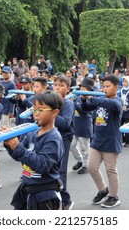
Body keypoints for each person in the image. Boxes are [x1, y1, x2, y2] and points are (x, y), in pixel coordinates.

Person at [5, 91, 64, 210]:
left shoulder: (53, 138)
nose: (36, 114)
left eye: (41, 110)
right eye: (34, 109)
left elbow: (42, 165)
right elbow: (19, 156)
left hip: (44, 195)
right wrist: (9, 144)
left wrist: (17, 147)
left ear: (54, 112)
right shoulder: (32, 132)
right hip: (28, 188)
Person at [81, 74, 123, 208]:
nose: (104, 89)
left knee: (111, 170)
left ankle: (113, 196)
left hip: (111, 141)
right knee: (91, 167)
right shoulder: (100, 99)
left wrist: (91, 97)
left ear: (116, 87)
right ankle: (103, 189)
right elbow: (86, 108)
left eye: (107, 86)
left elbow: (106, 103)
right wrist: (83, 99)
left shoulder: (117, 102)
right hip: (97, 140)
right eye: (103, 86)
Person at [53, 75, 75, 209]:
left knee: (61, 170)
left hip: (64, 138)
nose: (57, 87)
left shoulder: (67, 103)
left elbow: (66, 123)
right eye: (56, 85)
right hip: (52, 138)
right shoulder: (52, 101)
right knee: (52, 168)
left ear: (67, 88)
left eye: (61, 85)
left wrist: (52, 114)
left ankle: (66, 201)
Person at [70, 77, 94, 175]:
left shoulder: (90, 98)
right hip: (76, 125)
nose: (81, 89)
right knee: (72, 145)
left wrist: (73, 104)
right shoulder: (78, 97)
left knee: (84, 148)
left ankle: (86, 165)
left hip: (84, 126)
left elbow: (84, 110)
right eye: (81, 87)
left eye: (84, 87)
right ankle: (80, 160)